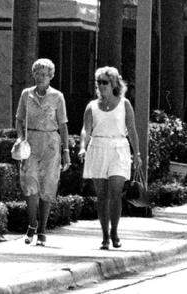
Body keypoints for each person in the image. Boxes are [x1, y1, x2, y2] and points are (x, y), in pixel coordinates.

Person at [79, 66, 141, 250]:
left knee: (115, 192)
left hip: (119, 149)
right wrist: (82, 148)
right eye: (98, 82)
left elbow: (132, 130)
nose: (101, 85)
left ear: (114, 83)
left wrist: (137, 154)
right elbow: (86, 130)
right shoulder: (92, 106)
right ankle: (105, 236)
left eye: (104, 82)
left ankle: (114, 232)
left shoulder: (124, 104)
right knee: (102, 196)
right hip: (98, 148)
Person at [13, 58, 70, 245]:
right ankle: (32, 224)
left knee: (48, 185)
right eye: (38, 74)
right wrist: (20, 138)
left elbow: (63, 125)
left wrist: (66, 150)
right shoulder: (26, 94)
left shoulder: (57, 96)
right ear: (34, 75)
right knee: (29, 183)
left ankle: (43, 230)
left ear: (51, 76)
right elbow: (19, 119)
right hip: (31, 142)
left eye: (45, 74)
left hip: (51, 143)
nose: (41, 77)